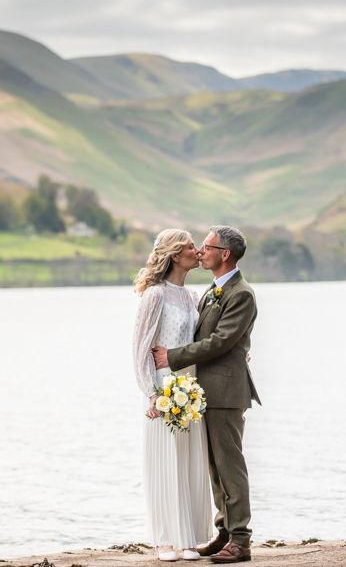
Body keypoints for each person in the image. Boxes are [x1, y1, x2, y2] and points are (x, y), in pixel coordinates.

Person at [152, 225, 260, 564]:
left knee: (230, 465)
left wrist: (173, 356)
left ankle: (241, 540)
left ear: (224, 254)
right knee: (214, 466)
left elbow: (221, 341)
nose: (201, 250)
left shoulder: (241, 293)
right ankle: (224, 532)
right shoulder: (211, 291)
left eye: (207, 245)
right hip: (206, 390)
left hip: (227, 392)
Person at [132, 229, 212, 562]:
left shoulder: (192, 296)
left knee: (190, 459)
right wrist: (151, 393)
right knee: (165, 460)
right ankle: (164, 540)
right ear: (176, 255)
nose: (198, 250)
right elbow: (140, 349)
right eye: (191, 246)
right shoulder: (155, 295)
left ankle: (187, 537)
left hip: (191, 386)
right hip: (164, 387)